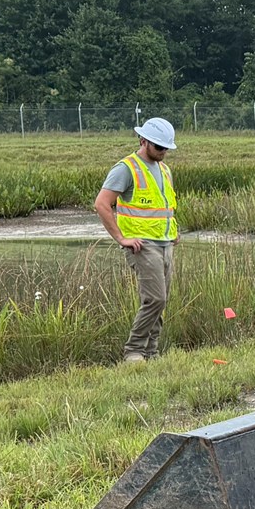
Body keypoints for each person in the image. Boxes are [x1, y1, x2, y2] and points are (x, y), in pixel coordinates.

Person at [95, 117, 179, 366]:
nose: (163, 152)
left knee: (161, 299)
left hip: (165, 242)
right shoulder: (126, 168)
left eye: (166, 148)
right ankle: (134, 351)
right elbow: (102, 204)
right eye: (159, 147)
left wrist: (173, 230)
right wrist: (121, 238)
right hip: (142, 245)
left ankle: (151, 353)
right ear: (143, 141)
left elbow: (164, 205)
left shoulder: (164, 169)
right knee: (156, 298)